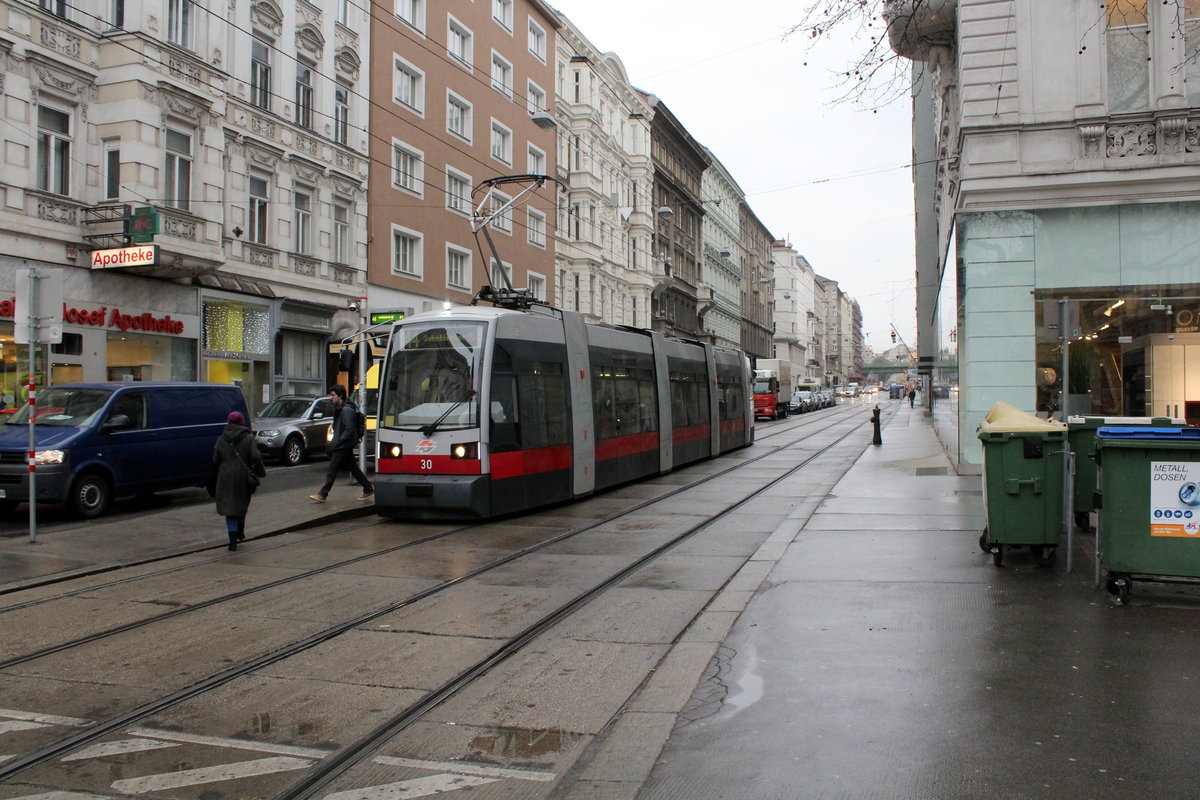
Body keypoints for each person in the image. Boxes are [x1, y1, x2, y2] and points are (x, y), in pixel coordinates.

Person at [310, 384, 374, 504]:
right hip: (344, 444)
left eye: (333, 395)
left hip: (343, 445)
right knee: (353, 468)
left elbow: (349, 430)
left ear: (340, 396)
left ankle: (323, 494)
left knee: (332, 469)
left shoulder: (346, 410)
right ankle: (368, 488)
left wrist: (339, 441)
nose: (331, 398)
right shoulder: (341, 408)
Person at [212, 411, 266, 551]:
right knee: (242, 503)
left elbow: (215, 459)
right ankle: (240, 530)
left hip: (225, 477)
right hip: (243, 477)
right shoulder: (248, 438)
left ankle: (232, 539)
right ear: (242, 423)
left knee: (229, 508)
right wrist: (260, 472)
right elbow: (255, 456)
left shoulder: (221, 439)